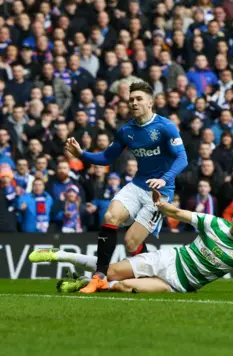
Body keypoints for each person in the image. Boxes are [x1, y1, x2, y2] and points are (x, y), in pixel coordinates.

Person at [30, 189, 233, 294]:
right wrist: (161, 204)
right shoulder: (214, 223)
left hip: (178, 284)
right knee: (110, 271)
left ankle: (81, 283)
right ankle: (59, 254)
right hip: (169, 259)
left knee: (123, 286)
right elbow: (179, 214)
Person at [65, 81, 188, 293]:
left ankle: (155, 275)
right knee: (110, 217)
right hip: (138, 185)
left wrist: (164, 179)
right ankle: (100, 276)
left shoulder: (165, 127)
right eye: (131, 99)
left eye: (139, 99)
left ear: (150, 103)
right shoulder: (127, 131)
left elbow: (182, 158)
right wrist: (82, 155)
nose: (134, 102)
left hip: (160, 192)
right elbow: (107, 157)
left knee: (131, 243)